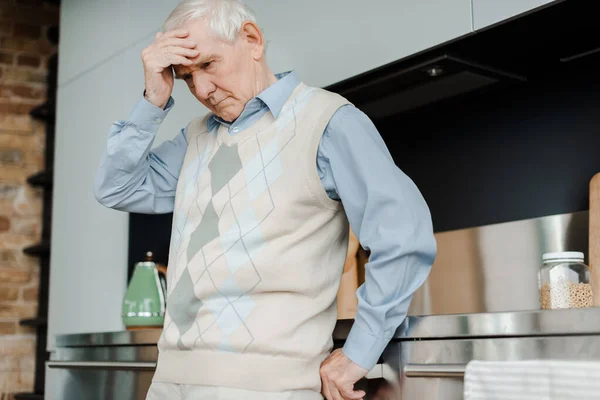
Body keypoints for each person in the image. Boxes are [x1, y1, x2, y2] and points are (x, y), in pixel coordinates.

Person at [94, 1, 436, 399]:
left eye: (207, 65)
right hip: (169, 383)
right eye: (186, 77)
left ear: (252, 40)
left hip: (271, 387)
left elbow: (403, 238)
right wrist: (153, 98)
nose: (201, 90)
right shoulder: (195, 137)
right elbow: (116, 188)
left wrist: (358, 353)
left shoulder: (328, 121)